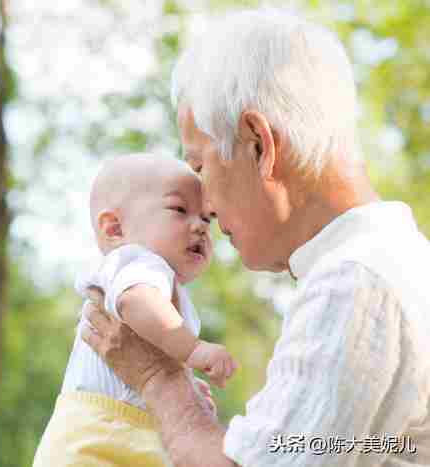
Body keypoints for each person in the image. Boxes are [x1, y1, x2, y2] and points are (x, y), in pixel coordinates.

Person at [81, 7, 430, 467]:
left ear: (259, 144)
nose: (204, 205)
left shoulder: (354, 280)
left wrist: (157, 378)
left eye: (200, 166)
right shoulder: (397, 259)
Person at [33, 153, 238, 467]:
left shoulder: (168, 285)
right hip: (96, 437)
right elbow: (136, 303)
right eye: (179, 210)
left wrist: (187, 387)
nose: (199, 226)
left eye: (206, 219)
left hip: (127, 434)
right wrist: (194, 350)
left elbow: (146, 355)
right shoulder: (136, 262)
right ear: (115, 229)